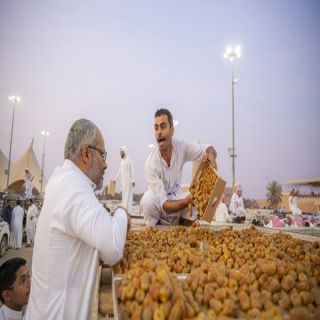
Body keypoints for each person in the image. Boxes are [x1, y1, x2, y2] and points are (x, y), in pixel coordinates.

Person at [25, 119, 130, 320]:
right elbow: (114, 248)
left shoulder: (65, 180)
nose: (106, 163)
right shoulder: (72, 186)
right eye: (103, 154)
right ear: (86, 153)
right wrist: (123, 210)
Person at [139, 108, 217, 226]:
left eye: (163, 126)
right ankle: (155, 231)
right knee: (148, 200)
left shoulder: (181, 146)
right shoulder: (150, 164)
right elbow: (164, 205)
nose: (159, 132)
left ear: (172, 130)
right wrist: (186, 201)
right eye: (156, 128)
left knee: (195, 196)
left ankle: (183, 231)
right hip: (160, 208)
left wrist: (211, 157)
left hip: (176, 200)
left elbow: (208, 149)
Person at [114, 146, 135, 214]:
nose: (121, 154)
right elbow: (119, 171)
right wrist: (115, 179)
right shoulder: (122, 161)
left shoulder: (129, 159)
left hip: (129, 182)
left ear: (125, 152)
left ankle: (127, 211)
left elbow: (132, 170)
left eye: (122, 152)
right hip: (123, 182)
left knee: (128, 196)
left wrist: (133, 180)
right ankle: (124, 211)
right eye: (120, 153)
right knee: (124, 195)